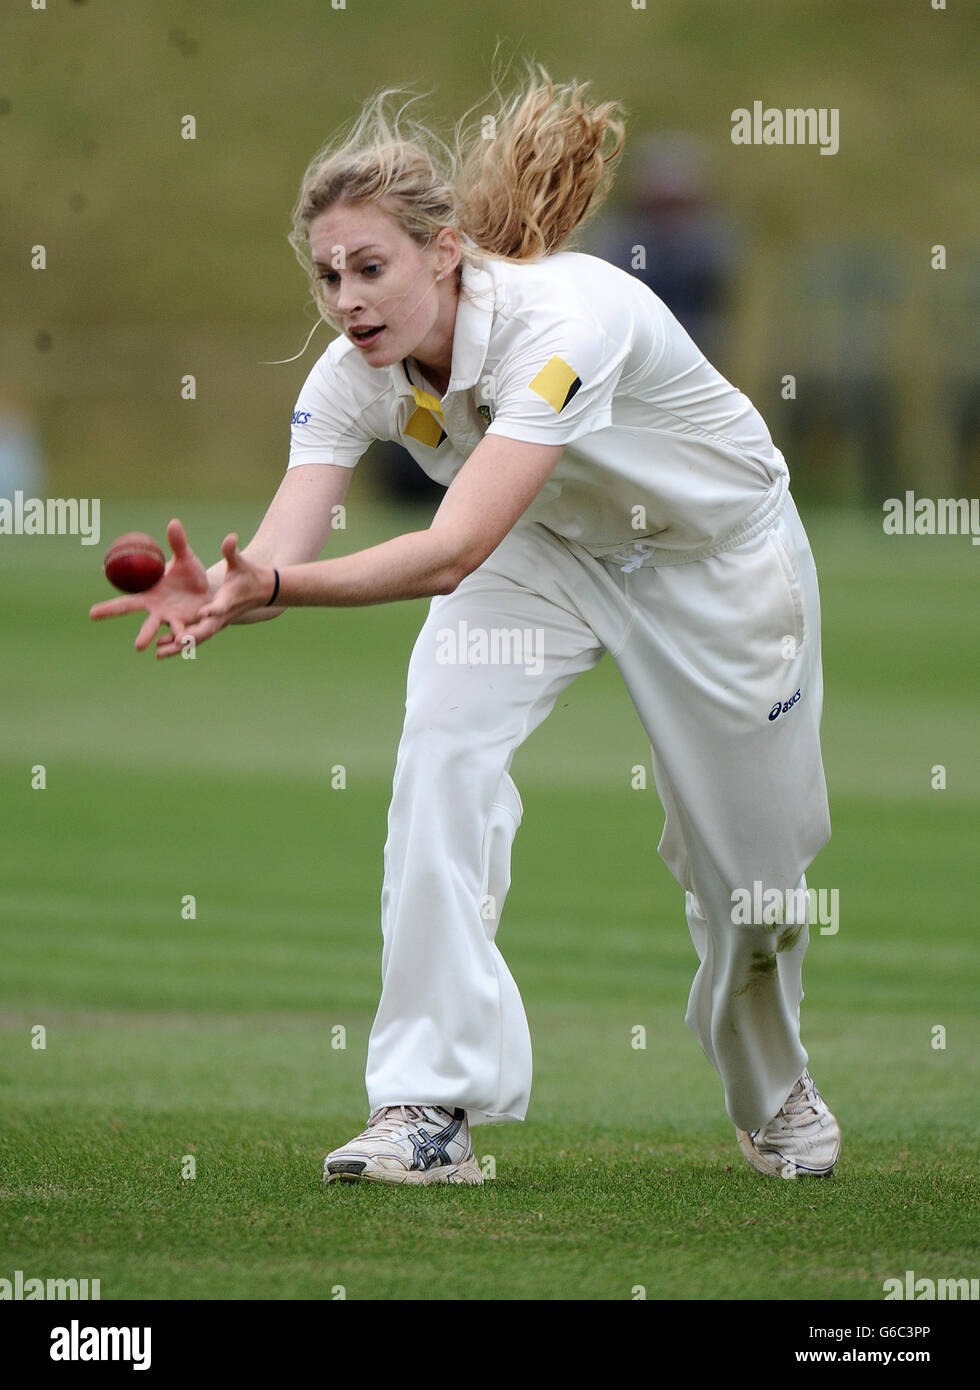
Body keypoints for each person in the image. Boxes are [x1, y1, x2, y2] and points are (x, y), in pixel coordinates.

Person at [91, 66, 840, 1186]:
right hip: (546, 554)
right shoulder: (355, 374)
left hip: (716, 564)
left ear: (442, 255)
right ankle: (426, 1104)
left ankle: (770, 1084)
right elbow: (284, 539)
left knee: (754, 883)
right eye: (328, 275)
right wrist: (227, 587)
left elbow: (449, 550)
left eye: (370, 266)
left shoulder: (562, 322)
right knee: (440, 752)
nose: (347, 298)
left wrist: (276, 593)